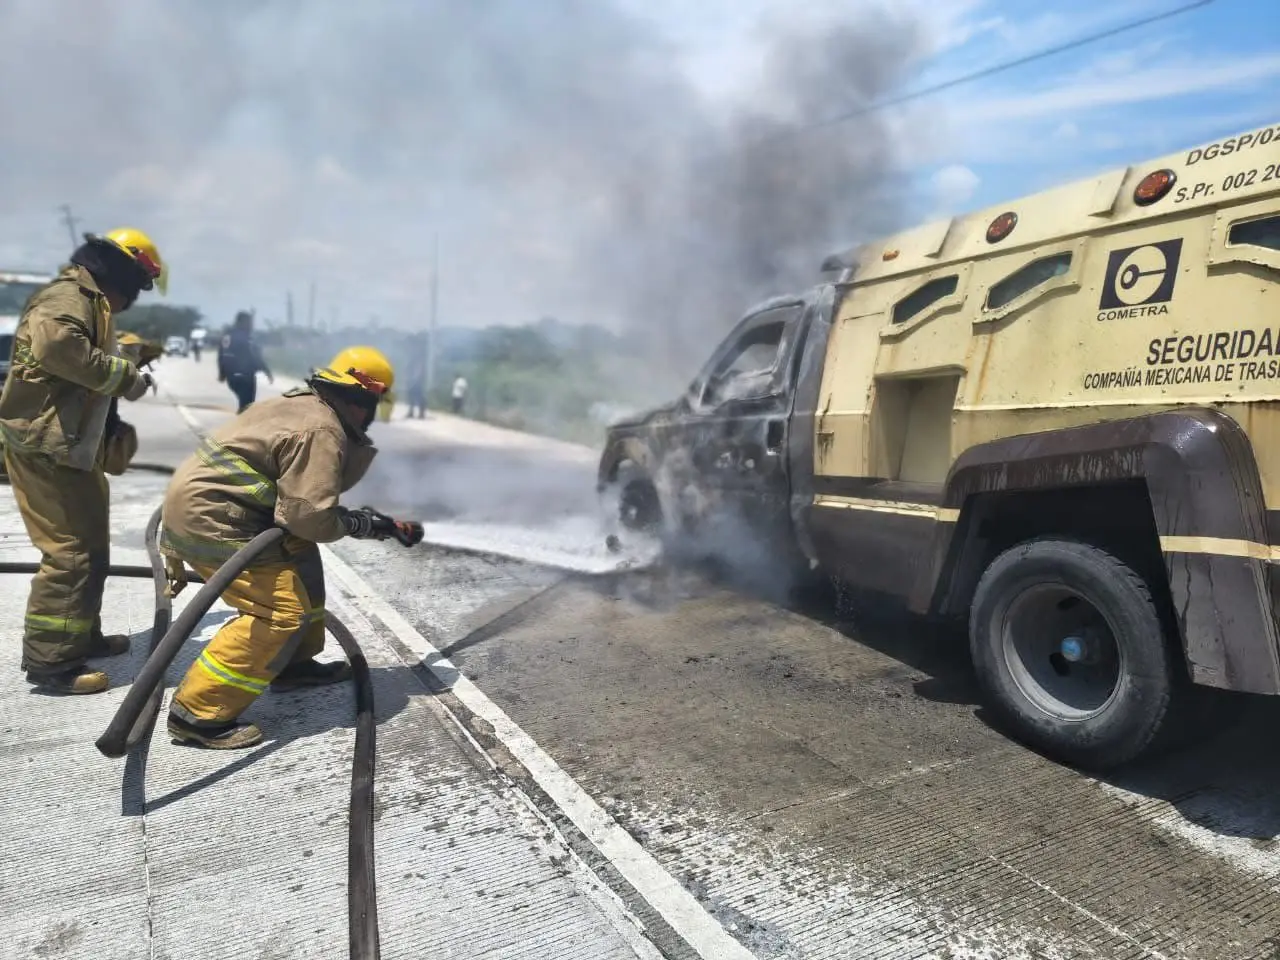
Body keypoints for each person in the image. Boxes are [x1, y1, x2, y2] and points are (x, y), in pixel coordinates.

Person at [158, 345, 423, 748]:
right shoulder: (323, 430)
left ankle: (291, 665)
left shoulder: (302, 405)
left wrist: (366, 523)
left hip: (223, 511)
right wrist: (357, 523)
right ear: (363, 401)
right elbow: (309, 517)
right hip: (216, 522)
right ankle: (197, 715)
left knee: (302, 559)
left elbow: (298, 509)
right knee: (279, 612)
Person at [0, 227, 166, 694]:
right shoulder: (68, 297)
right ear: (121, 274)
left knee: (91, 550)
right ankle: (52, 663)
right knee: (71, 554)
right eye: (136, 286)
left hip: (71, 447)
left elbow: (82, 355)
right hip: (47, 447)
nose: (132, 300)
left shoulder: (90, 303)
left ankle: (79, 636)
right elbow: (59, 348)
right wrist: (127, 378)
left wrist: (129, 355)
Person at [217, 310, 272, 412]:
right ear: (242, 322)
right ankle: (242, 420)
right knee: (247, 407)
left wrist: (222, 373)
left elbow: (221, 355)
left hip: (231, 378)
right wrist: (267, 371)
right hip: (245, 377)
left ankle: (242, 416)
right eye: (249, 322)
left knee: (245, 405)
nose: (251, 325)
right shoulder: (247, 337)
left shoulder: (227, 336)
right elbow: (256, 357)